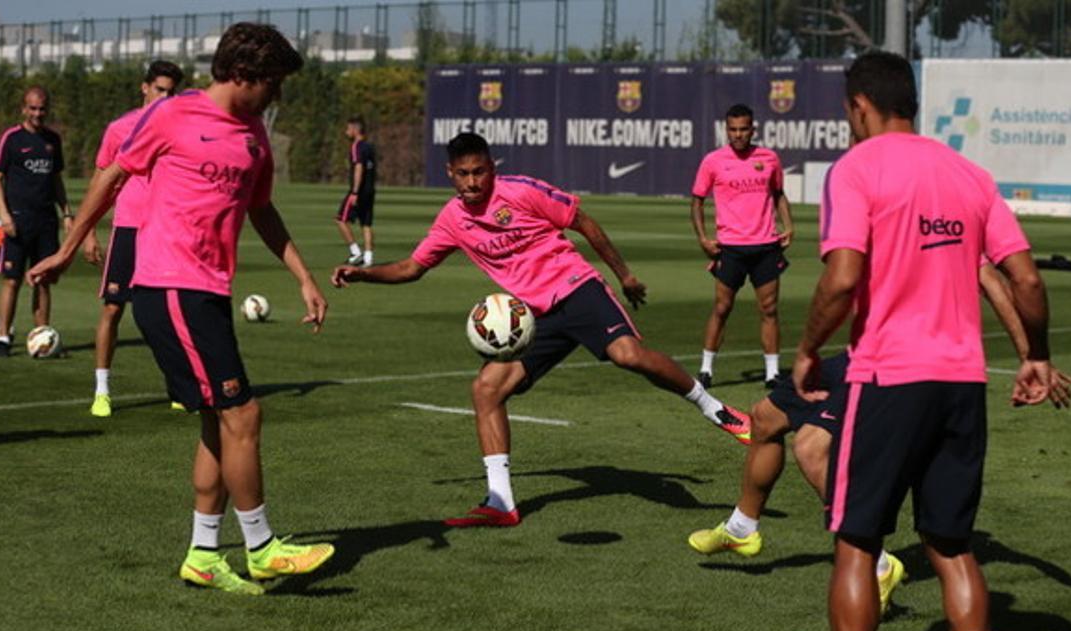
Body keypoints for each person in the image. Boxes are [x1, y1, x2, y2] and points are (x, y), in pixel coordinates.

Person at [28, 23, 334, 595]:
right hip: (170, 285)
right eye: (273, 83)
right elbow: (113, 174)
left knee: (218, 424)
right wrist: (69, 247)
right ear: (244, 74)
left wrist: (305, 279)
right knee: (243, 415)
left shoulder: (254, 138)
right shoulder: (172, 115)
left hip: (209, 291)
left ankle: (202, 553)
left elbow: (262, 212)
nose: (277, 96)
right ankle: (263, 547)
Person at [790, 52, 1063, 631]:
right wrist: (1038, 356)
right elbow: (1027, 279)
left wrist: (806, 350)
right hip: (963, 382)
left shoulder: (855, 168)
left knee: (858, 543)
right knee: (951, 544)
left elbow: (842, 279)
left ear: (858, 107)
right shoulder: (970, 174)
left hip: (888, 375)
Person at [332, 132, 752, 528]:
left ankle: (713, 408)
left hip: (576, 288)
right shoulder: (451, 220)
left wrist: (623, 275)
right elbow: (411, 267)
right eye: (464, 174)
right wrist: (363, 274)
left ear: (491, 168)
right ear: (451, 174)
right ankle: (501, 502)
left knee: (628, 355)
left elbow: (583, 223)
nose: (474, 182)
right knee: (486, 390)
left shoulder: (521, 190)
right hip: (531, 319)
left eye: (480, 171)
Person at [688, 264, 1071, 618]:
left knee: (810, 447)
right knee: (765, 419)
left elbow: (992, 279)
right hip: (859, 351)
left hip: (894, 364)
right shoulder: (882, 200)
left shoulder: (939, 213)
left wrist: (1031, 354)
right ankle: (742, 529)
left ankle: (879, 565)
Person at [87, 60, 184, 418]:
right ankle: (101, 391)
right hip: (127, 227)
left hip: (163, 230)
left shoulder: (179, 129)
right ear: (145, 88)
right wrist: (88, 234)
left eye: (171, 92)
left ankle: (178, 385)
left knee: (168, 311)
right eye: (160, 89)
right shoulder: (119, 129)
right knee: (113, 308)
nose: (165, 97)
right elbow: (102, 181)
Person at [690, 104, 794, 388]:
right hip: (731, 247)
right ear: (726, 130)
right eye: (732, 130)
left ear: (753, 129)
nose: (738, 135)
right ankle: (706, 369)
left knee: (769, 309)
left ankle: (772, 373)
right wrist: (702, 238)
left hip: (766, 246)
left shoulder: (769, 158)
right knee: (722, 307)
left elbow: (778, 194)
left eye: (743, 129)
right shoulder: (713, 161)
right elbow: (697, 201)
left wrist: (788, 224)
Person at [0, 86, 81, 356]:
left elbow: (56, 180)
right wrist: (4, 214)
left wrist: (66, 213)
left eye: (42, 109)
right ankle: (3, 338)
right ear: (23, 109)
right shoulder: (12, 138)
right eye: (32, 108)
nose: (38, 113)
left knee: (43, 280)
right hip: (17, 220)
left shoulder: (53, 140)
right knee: (12, 279)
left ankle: (42, 337)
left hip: (46, 222)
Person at [336, 116, 377, 267]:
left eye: (348, 129)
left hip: (358, 191)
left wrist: (354, 192)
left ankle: (355, 252)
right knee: (366, 224)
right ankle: (368, 257)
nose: (346, 132)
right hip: (370, 190)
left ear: (355, 129)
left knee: (340, 219)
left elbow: (359, 167)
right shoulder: (370, 147)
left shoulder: (357, 146)